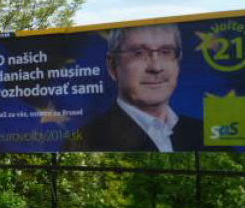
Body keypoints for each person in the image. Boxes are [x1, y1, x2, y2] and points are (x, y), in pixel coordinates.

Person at [66, 24, 202, 152]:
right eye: (139, 53)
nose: (156, 67)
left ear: (178, 61)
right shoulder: (87, 140)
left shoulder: (200, 131)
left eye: (165, 52)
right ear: (113, 66)